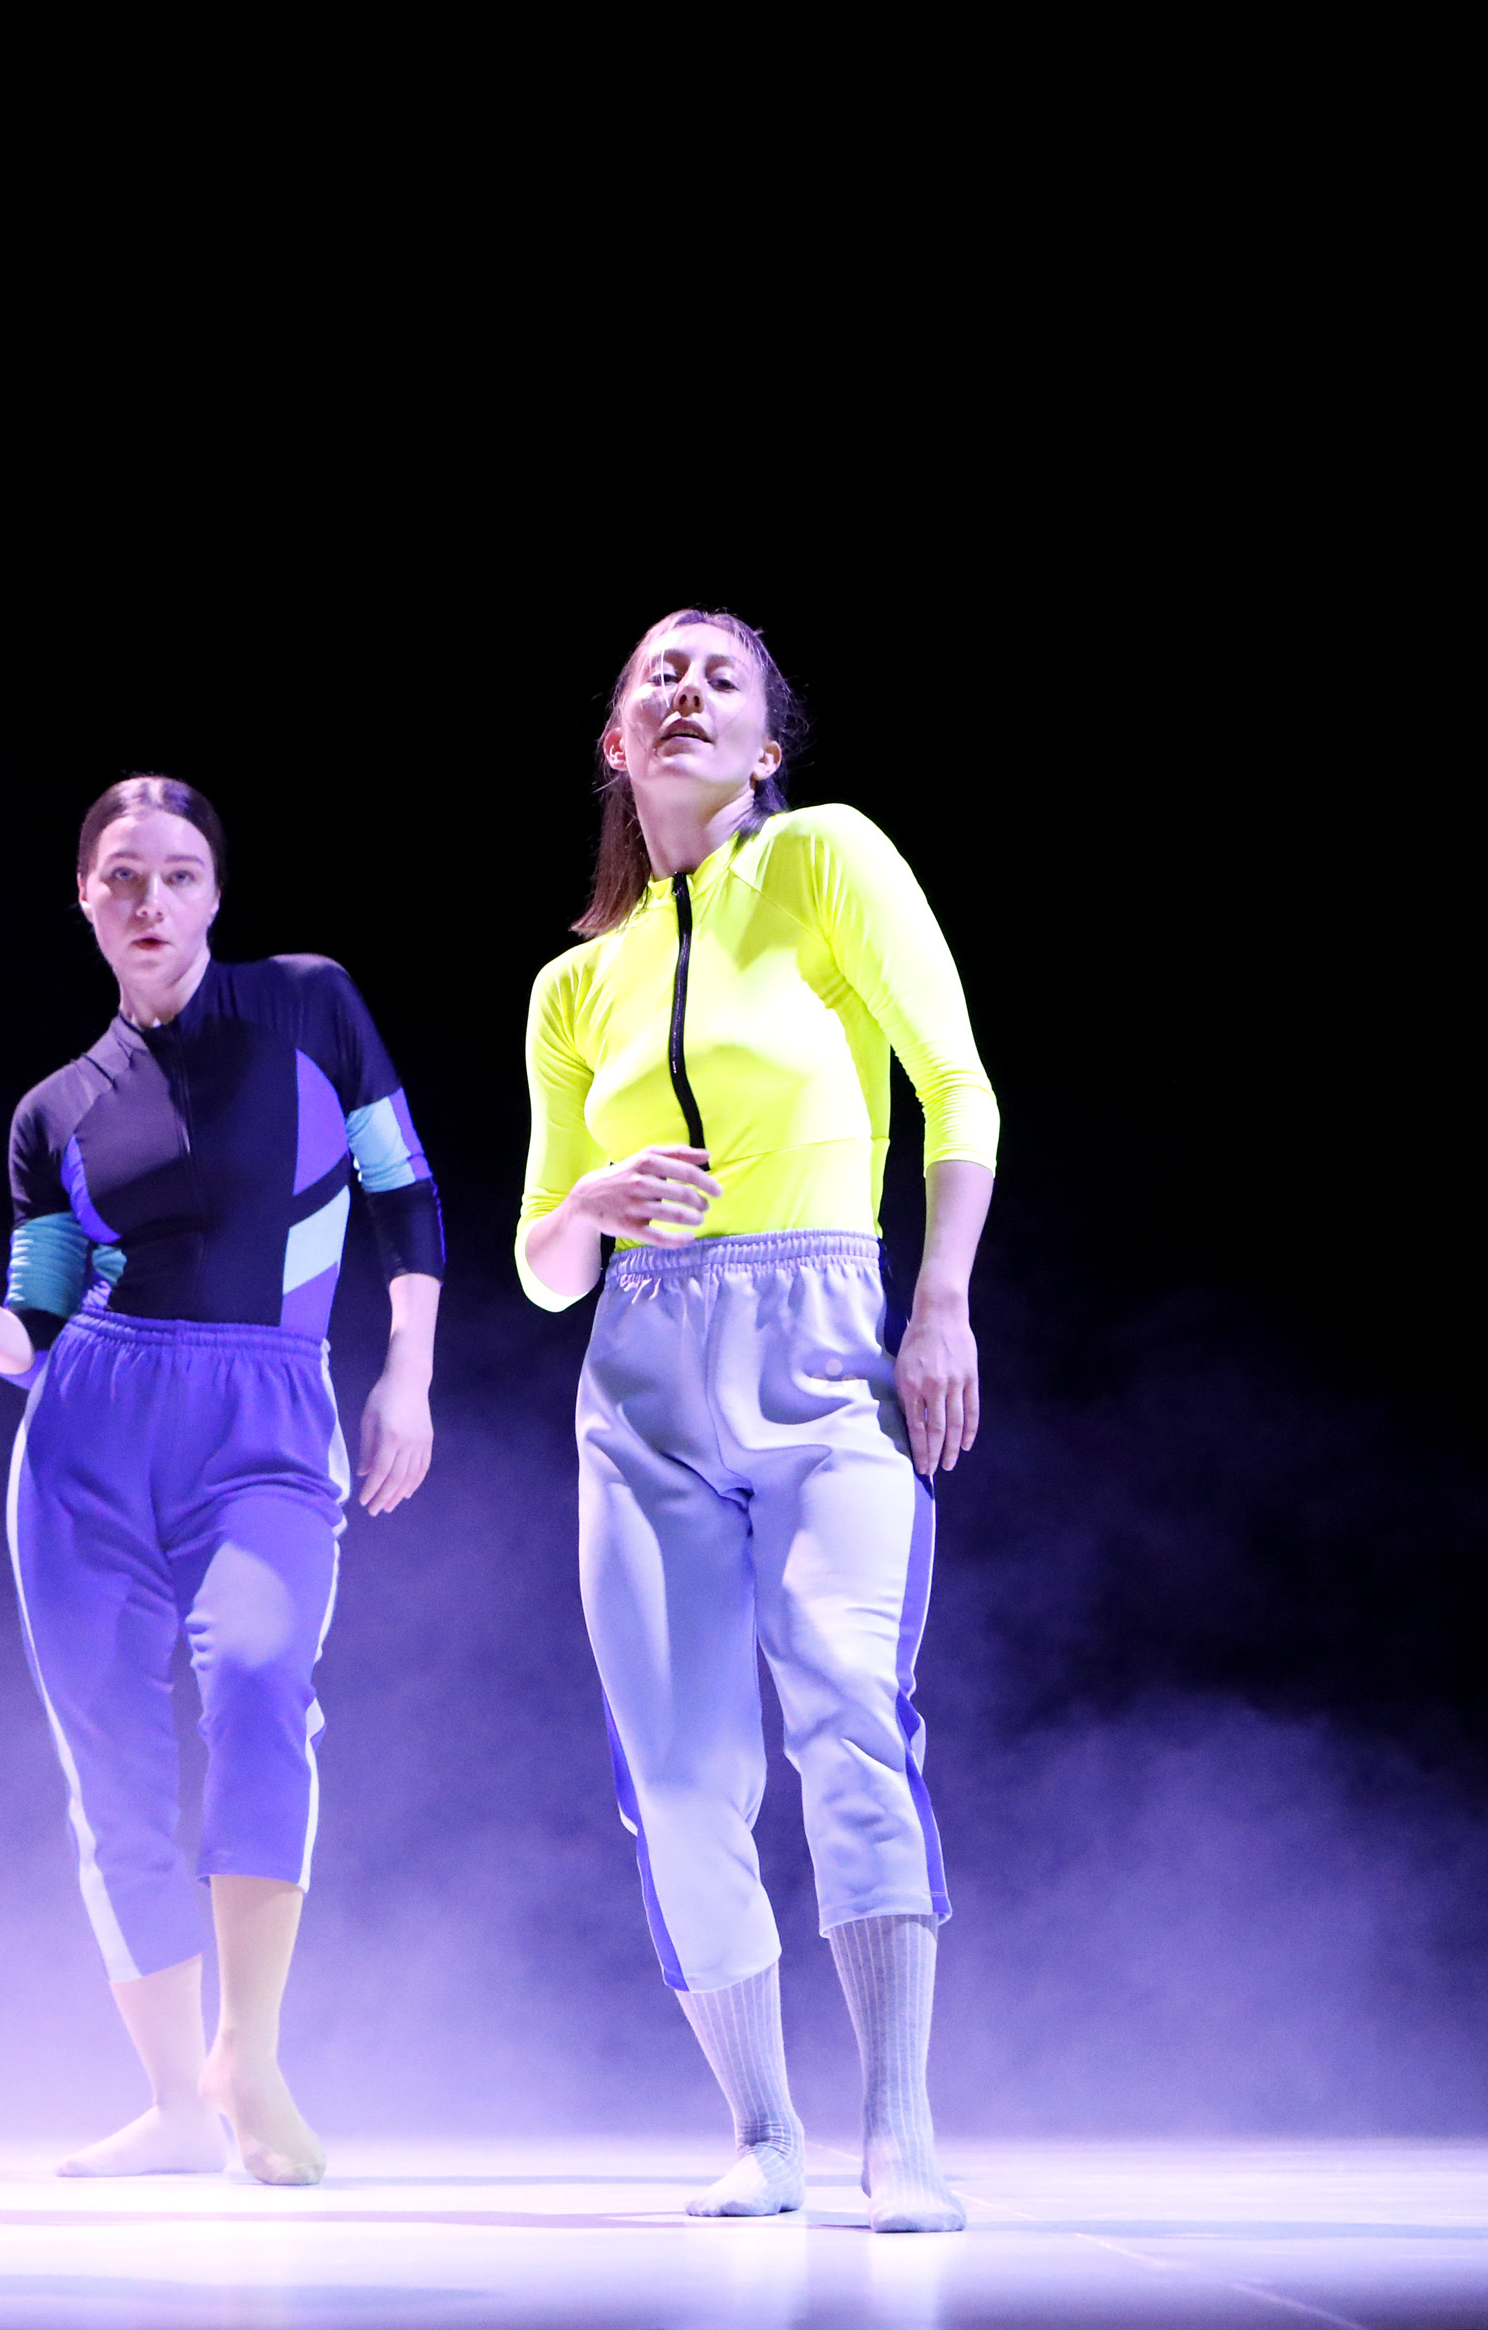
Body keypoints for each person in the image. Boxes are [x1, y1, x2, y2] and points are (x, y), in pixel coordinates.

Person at [517, 610, 996, 2234]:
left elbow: (956, 1081)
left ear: (767, 744)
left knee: (850, 1706)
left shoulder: (825, 859)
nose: (686, 690)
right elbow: (541, 1267)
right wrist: (585, 1202)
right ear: (615, 743)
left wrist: (940, 1301)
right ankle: (763, 2129)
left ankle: (898, 2130)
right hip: (642, 1376)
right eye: (657, 673)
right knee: (675, 1767)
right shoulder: (574, 985)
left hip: (823, 1339)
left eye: (721, 676)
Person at [0, 775, 443, 2188]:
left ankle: (245, 2055)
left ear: (215, 892)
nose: (148, 898)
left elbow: (404, 1190)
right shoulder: (52, 1110)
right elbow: (38, 1327)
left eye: (176, 873)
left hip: (266, 1419)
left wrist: (406, 1375)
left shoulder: (310, 1007)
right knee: (111, 1766)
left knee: (263, 1682)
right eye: (120, 875)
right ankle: (170, 2103)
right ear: (85, 899)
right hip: (87, 1435)